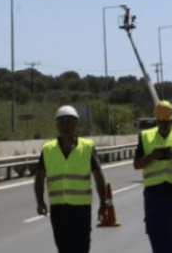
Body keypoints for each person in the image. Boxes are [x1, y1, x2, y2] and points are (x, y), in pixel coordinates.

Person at [35, 105, 108, 253]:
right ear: (57, 125)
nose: (65, 125)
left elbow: (99, 176)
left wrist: (103, 202)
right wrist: (40, 201)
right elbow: (39, 178)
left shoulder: (87, 147)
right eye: (62, 122)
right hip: (59, 211)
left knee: (81, 248)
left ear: (76, 124)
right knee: (64, 249)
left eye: (69, 122)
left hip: (81, 211)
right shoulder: (48, 149)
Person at [133, 100, 172, 253]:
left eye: (166, 120)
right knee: (156, 237)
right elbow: (137, 164)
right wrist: (153, 156)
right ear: (157, 119)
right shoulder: (145, 136)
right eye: (161, 121)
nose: (164, 123)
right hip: (153, 196)